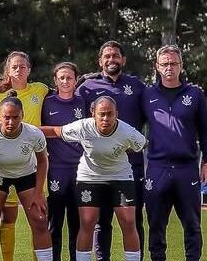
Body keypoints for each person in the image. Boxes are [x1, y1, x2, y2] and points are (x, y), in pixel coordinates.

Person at [43, 96, 146, 261]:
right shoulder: (83, 126)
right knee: (87, 222)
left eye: (110, 114)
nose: (105, 118)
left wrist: (117, 152)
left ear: (116, 114)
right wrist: (26, 130)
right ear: (93, 114)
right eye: (101, 114)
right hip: (89, 178)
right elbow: (56, 131)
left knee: (128, 222)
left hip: (120, 177)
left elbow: (140, 145)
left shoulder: (127, 132)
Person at [141, 45, 207, 261]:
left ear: (181, 66)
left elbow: (206, 132)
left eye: (173, 63)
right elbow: (134, 128)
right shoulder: (147, 95)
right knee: (155, 225)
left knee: (192, 225)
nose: (169, 68)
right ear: (157, 67)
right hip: (156, 169)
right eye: (164, 64)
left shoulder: (195, 94)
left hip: (186, 169)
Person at [76, 41, 146, 261]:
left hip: (130, 165)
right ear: (100, 61)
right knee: (100, 221)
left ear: (123, 59)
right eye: (107, 56)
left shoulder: (137, 86)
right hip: (97, 166)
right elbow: (74, 117)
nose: (111, 59)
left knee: (133, 220)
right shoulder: (87, 87)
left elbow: (151, 116)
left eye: (116, 55)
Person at [0, 51, 50, 261]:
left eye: (23, 66)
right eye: (14, 67)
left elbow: (66, 88)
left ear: (29, 69)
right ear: (8, 70)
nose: (19, 70)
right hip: (6, 162)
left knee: (39, 216)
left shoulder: (40, 90)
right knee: (8, 217)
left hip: (34, 161)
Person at [0, 97, 52, 261]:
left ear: (22, 115)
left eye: (15, 117)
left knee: (40, 219)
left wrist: (39, 193)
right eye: (6, 117)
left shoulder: (34, 133)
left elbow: (43, 161)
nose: (11, 121)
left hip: (26, 175)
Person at [40, 62, 86, 261]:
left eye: (69, 77)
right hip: (55, 169)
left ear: (76, 80)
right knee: (54, 224)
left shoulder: (83, 102)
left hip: (80, 170)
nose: (65, 81)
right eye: (61, 78)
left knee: (77, 224)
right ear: (55, 81)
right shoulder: (47, 102)